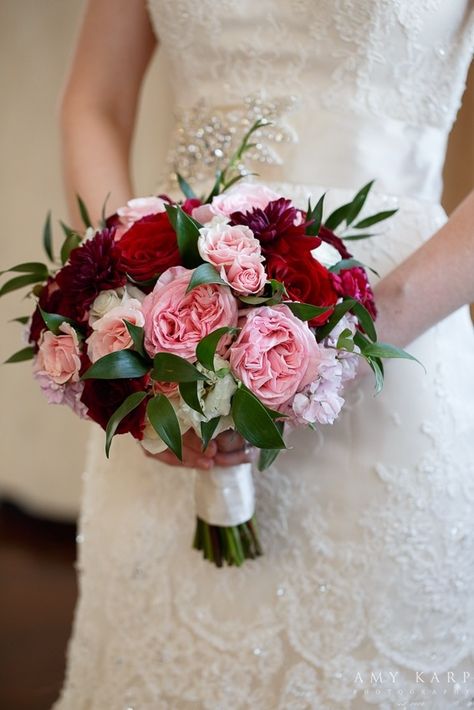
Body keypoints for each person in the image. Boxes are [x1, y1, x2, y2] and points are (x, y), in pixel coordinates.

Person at [55, 1, 474, 707]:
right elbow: (95, 101)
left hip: (393, 345)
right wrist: (122, 306)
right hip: (178, 327)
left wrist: (356, 334)